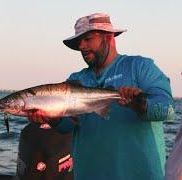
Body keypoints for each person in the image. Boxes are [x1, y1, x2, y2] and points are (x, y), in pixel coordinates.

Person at [28, 12, 174, 179]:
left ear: (109, 37)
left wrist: (137, 103)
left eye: (88, 39)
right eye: (78, 42)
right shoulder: (76, 80)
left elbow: (167, 110)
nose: (81, 46)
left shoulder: (140, 67)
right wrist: (51, 118)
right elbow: (67, 126)